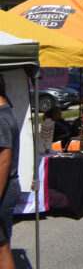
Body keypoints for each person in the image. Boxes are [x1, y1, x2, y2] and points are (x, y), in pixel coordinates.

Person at [0, 75, 20, 268]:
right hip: (8, 188)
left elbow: (3, 162)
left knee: (2, 247)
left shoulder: (1, 117)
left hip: (4, 190)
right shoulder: (6, 113)